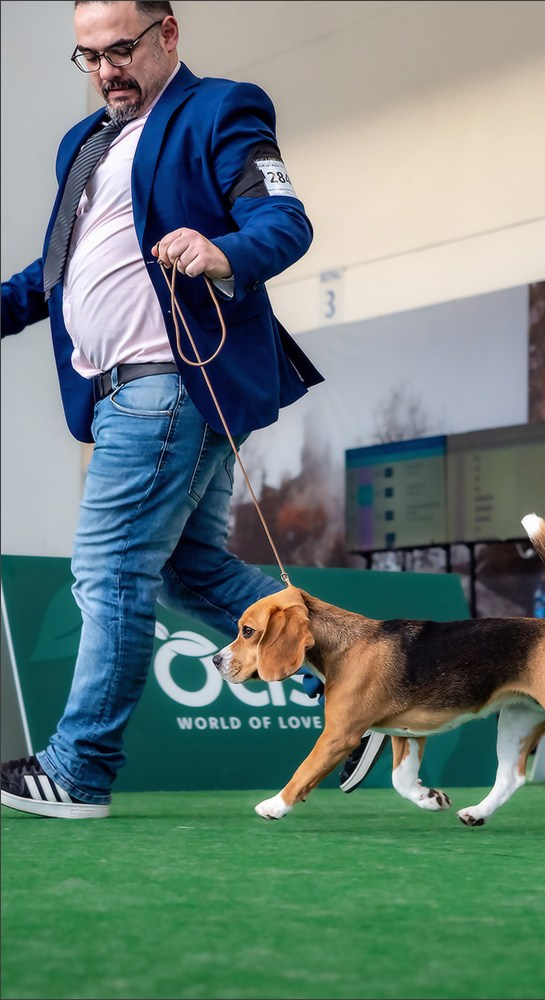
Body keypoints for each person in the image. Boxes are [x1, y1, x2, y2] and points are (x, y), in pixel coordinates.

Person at [0, 0, 369, 817]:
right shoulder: (83, 143)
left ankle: (77, 770)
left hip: (170, 383)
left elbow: (282, 218)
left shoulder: (222, 108)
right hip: (117, 394)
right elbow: (59, 268)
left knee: (108, 571)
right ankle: (356, 674)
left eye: (120, 49)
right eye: (88, 57)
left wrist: (221, 250)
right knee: (184, 569)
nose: (105, 70)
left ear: (168, 33)